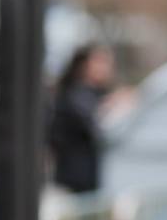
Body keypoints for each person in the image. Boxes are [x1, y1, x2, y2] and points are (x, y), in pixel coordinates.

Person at [46, 43, 117, 195]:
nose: (105, 68)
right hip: (75, 183)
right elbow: (95, 126)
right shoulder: (76, 95)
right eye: (100, 62)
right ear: (84, 65)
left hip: (88, 182)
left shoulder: (95, 94)